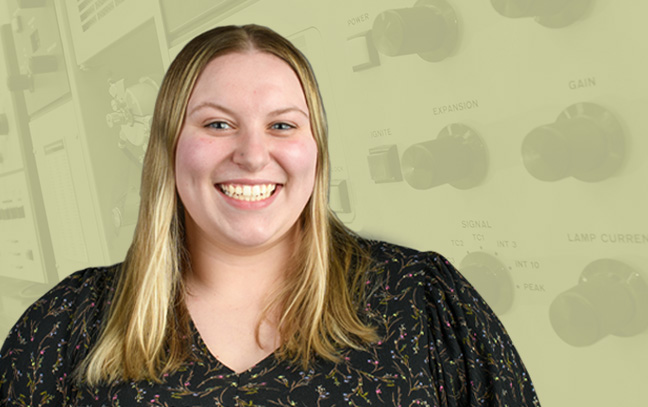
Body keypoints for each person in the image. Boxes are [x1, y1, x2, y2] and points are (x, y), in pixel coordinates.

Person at [0, 24, 541, 406]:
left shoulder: (423, 302)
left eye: (282, 125)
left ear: (316, 151)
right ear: (167, 149)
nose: (253, 155)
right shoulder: (67, 325)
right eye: (217, 125)